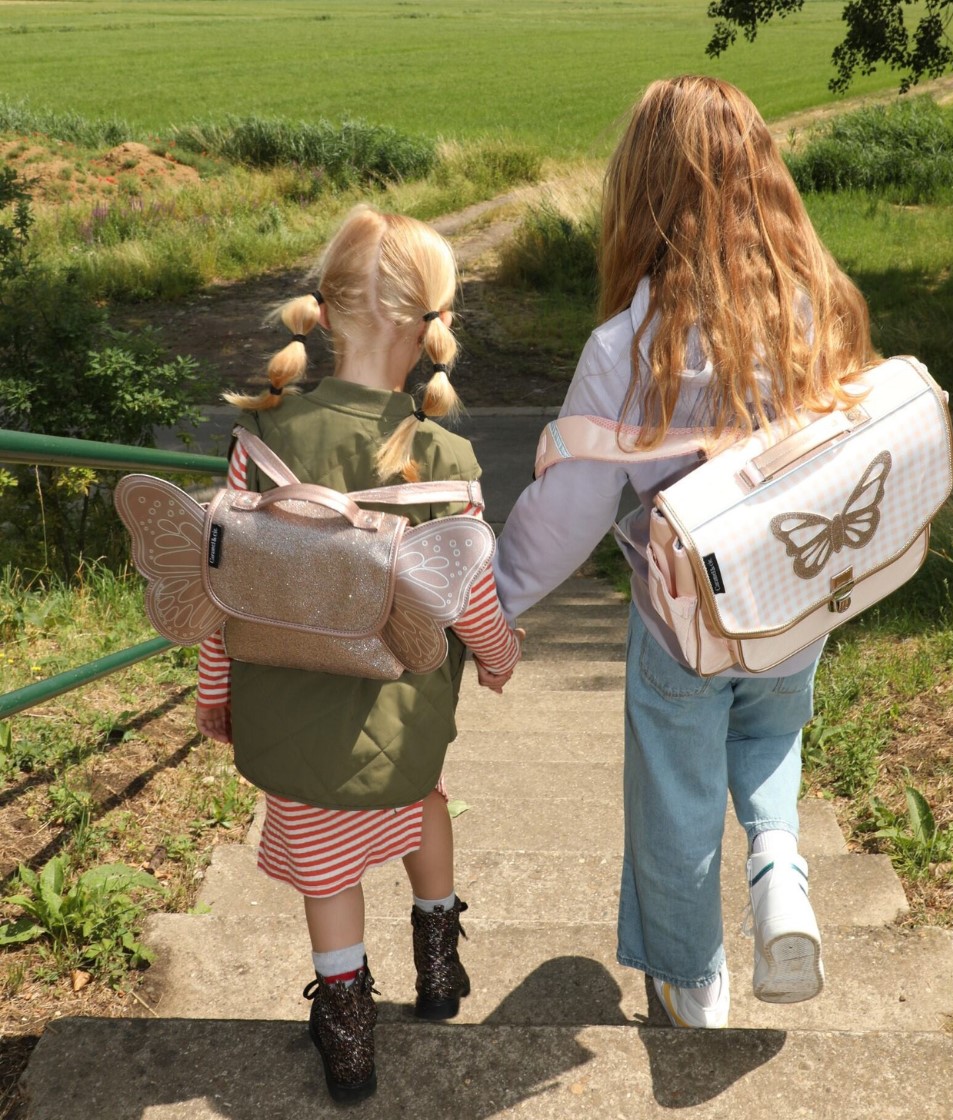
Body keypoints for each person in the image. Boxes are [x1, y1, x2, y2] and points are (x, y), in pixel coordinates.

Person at [492, 76, 876, 1028]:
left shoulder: (630, 343)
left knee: (676, 790)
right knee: (772, 734)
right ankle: (780, 869)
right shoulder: (817, 309)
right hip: (793, 605)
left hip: (683, 622)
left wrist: (491, 596)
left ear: (644, 193)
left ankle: (693, 984)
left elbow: (569, 517)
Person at [194, 203, 522, 1103]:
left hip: (288, 710)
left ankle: (347, 1039)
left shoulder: (262, 442)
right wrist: (498, 657)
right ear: (427, 333)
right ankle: (440, 970)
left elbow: (228, 587)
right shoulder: (441, 451)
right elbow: (472, 596)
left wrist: (215, 692)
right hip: (401, 714)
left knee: (326, 865)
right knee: (423, 803)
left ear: (326, 313)